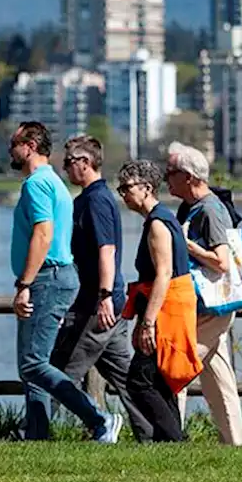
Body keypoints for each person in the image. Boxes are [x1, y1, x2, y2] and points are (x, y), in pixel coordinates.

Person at [8, 121, 122, 443]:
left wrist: (24, 284)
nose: (10, 151)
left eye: (14, 144)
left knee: (33, 363)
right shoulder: (56, 183)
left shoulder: (36, 185)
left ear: (29, 146)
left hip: (47, 278)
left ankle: (99, 419)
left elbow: (43, 235)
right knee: (33, 363)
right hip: (55, 277)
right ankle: (36, 435)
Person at [50, 135, 155, 442]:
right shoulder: (91, 198)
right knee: (126, 377)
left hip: (97, 306)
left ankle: (35, 430)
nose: (65, 169)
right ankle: (155, 434)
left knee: (60, 370)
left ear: (85, 163)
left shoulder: (96, 200)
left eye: (68, 162)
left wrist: (105, 297)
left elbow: (106, 250)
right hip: (109, 304)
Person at [166, 141, 242, 447]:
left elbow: (222, 261)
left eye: (171, 172)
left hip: (213, 306)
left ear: (189, 176)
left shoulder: (211, 210)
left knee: (176, 366)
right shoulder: (193, 207)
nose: (166, 178)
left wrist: (189, 247)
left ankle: (169, 437)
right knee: (218, 380)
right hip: (207, 304)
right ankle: (235, 444)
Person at [116, 159, 203, 442]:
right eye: (121, 189)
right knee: (159, 379)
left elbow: (164, 274)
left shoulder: (157, 224)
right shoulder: (163, 218)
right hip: (169, 305)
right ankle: (172, 442)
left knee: (139, 381)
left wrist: (148, 323)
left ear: (147, 188)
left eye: (127, 187)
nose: (124, 194)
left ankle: (175, 440)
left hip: (167, 310)